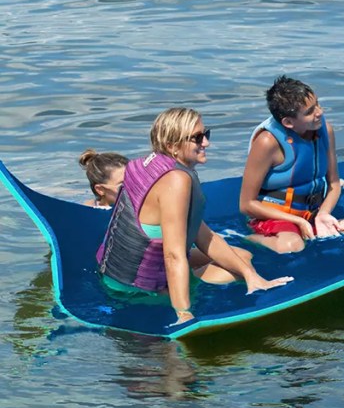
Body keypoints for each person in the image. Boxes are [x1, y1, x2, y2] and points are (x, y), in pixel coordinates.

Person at [95, 107, 293, 326]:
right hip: (135, 289)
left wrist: (253, 277)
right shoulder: (176, 181)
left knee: (243, 259)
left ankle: (239, 275)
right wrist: (183, 314)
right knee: (233, 273)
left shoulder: (149, 165)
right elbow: (173, 255)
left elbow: (203, 234)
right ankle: (182, 295)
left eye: (205, 134)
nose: (206, 143)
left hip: (112, 272)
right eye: (197, 138)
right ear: (172, 146)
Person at [241, 76, 344, 254]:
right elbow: (246, 204)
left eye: (317, 104)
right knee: (292, 246)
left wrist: (323, 214)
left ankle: (309, 230)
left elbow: (334, 184)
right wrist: (299, 222)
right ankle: (246, 239)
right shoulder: (267, 142)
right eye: (309, 111)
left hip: (312, 214)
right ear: (288, 122)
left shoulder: (325, 130)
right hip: (274, 217)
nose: (319, 112)